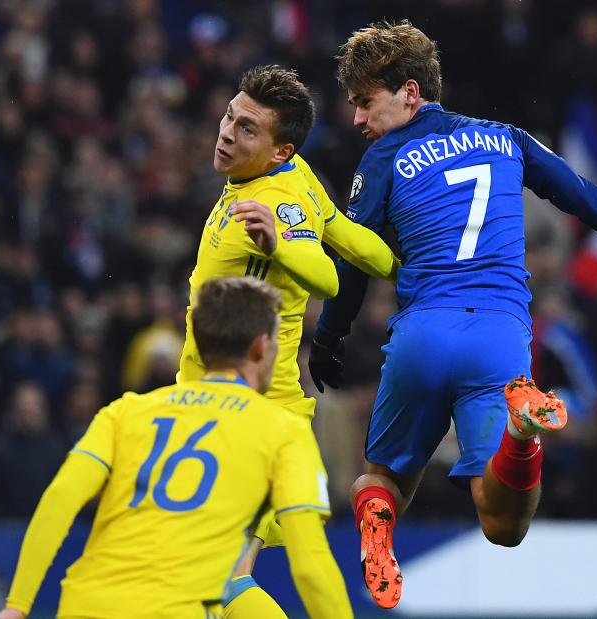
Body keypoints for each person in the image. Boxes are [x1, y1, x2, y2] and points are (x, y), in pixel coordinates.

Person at [309, 20, 597, 609]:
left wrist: (329, 338)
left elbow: (352, 264)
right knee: (504, 524)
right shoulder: (507, 138)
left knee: (377, 480)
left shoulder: (382, 160)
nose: (357, 119)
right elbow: (592, 204)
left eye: (364, 102)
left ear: (409, 90)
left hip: (424, 332)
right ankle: (522, 433)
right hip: (503, 338)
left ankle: (379, 527)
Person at [0, 277, 352, 619]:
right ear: (261, 347)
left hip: (89, 604)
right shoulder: (282, 430)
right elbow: (311, 562)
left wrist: (17, 604)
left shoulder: (126, 410)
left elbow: (60, 498)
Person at [177, 65, 399, 617]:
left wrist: (278, 243)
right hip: (232, 409)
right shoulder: (295, 175)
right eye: (231, 116)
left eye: (248, 129)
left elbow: (324, 277)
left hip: (240, 415)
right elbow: (359, 247)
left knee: (218, 581)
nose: (228, 132)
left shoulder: (277, 201)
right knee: (216, 581)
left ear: (280, 150)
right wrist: (408, 267)